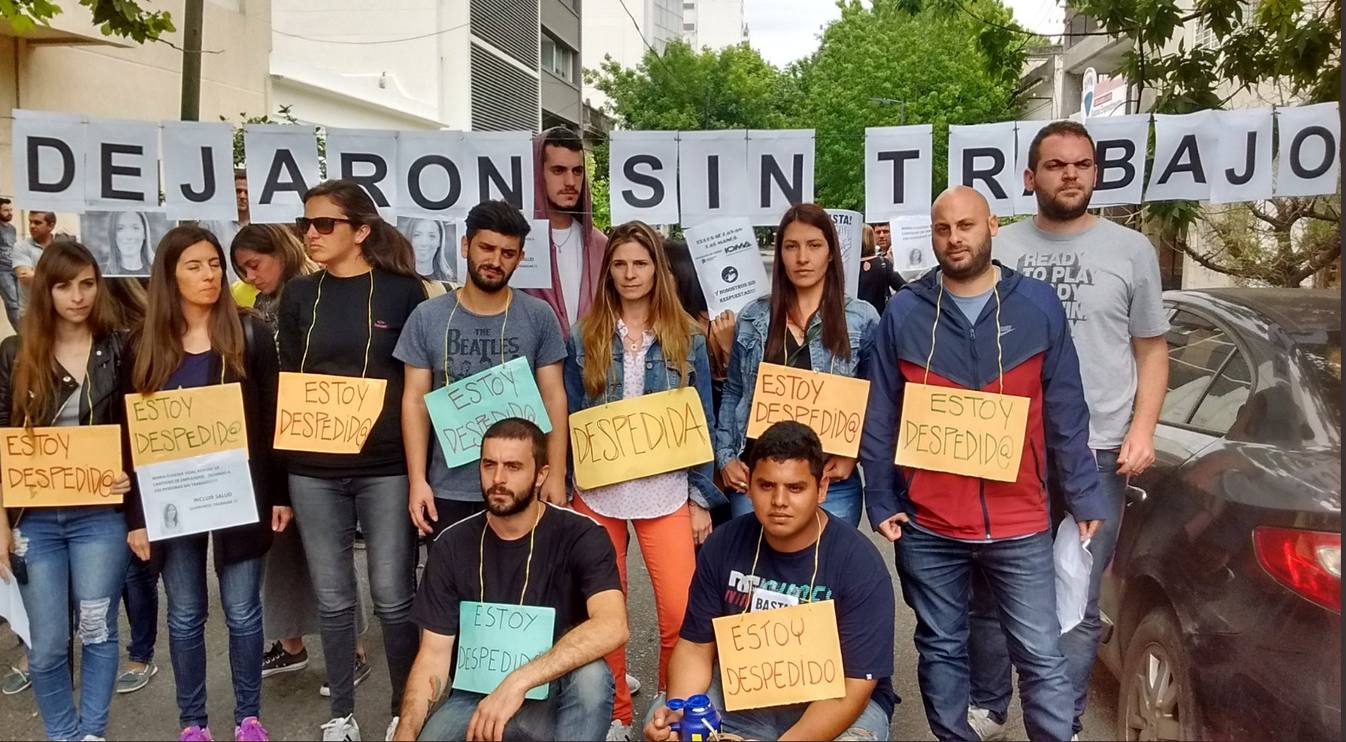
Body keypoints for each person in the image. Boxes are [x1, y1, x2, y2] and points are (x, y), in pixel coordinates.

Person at [859, 186, 1109, 742]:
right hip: (930, 523)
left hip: (1019, 520)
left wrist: (1085, 493)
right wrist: (881, 498)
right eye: (943, 229)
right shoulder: (904, 310)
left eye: (966, 225)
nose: (955, 238)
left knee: (1040, 654)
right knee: (941, 650)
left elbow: (1067, 408)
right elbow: (880, 414)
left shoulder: (1038, 304)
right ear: (933, 235)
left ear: (991, 226)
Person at [966, 120, 1170, 742]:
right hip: (1008, 449)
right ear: (1031, 178)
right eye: (1056, 165)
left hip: (1100, 450)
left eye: (1082, 164)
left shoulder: (1131, 251)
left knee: (1078, 600)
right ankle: (989, 706)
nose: (1071, 174)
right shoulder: (1003, 249)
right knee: (990, 590)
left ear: (1096, 173)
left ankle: (1063, 724)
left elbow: (1152, 350)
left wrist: (1143, 429)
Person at [122, 224, 290, 742]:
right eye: (194, 266)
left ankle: (248, 717)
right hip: (172, 504)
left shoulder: (250, 334)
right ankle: (192, 722)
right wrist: (136, 518)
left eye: (215, 264)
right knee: (187, 614)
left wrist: (279, 494)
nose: (210, 275)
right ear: (169, 277)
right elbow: (130, 438)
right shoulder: (142, 347)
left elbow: (272, 419)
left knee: (242, 611)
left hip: (238, 496)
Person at [277, 180, 427, 742]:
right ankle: (340, 712)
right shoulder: (296, 295)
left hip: (385, 465)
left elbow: (419, 380)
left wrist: (420, 473)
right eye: (305, 225)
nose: (310, 234)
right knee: (334, 597)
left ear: (361, 232)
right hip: (312, 467)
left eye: (324, 225)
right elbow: (286, 379)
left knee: (393, 594)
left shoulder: (402, 292)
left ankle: (402, 707)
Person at [562, 221, 724, 740]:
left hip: (666, 491)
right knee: (603, 613)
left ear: (658, 268)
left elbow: (704, 419)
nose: (630, 274)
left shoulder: (687, 337)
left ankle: (667, 712)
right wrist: (564, 483)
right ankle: (616, 715)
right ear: (608, 270)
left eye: (640, 263)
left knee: (680, 612)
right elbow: (567, 410)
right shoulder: (583, 334)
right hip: (598, 493)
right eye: (620, 264)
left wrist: (702, 496)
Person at [644, 421, 897, 742]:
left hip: (837, 701)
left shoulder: (860, 564)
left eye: (795, 488)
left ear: (821, 489)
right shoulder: (723, 544)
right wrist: (682, 714)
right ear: (748, 485)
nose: (779, 500)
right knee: (662, 720)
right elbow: (695, 646)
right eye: (766, 486)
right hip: (744, 686)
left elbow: (854, 685)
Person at [393, 418, 627, 741]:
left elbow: (613, 624)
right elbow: (433, 654)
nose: (498, 479)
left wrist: (518, 681)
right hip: (473, 697)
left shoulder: (581, 534)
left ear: (540, 475)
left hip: (553, 688)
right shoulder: (451, 545)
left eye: (513, 466)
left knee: (592, 677)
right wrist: (406, 730)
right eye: (489, 465)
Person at [0, 239, 133, 741]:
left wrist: (129, 475)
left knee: (98, 630)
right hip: (34, 520)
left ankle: (91, 732)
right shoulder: (15, 353)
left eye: (86, 284)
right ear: (44, 290)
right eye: (63, 285)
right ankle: (63, 734)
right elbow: (0, 441)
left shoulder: (119, 346)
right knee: (49, 642)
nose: (76, 296)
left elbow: (138, 427)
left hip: (100, 515)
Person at [396, 199, 570, 538]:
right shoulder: (427, 317)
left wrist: (556, 473)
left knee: (523, 588)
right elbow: (414, 402)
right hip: (449, 487)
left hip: (523, 488)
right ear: (465, 246)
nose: (494, 261)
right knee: (455, 586)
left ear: (520, 257)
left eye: (508, 253)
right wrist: (418, 480)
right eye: (486, 248)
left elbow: (553, 397)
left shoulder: (539, 316)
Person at [714, 203, 879, 528]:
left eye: (814, 245)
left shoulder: (861, 319)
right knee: (758, 576)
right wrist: (725, 457)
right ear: (780, 254)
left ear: (831, 252)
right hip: (757, 479)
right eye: (792, 246)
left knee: (827, 575)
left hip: (831, 482)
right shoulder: (753, 317)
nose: (802, 257)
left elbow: (879, 399)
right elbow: (734, 391)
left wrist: (854, 453)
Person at [524, 126, 607, 334]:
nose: (570, 182)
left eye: (577, 171)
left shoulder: (601, 246)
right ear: (537, 173)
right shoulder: (518, 243)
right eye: (558, 170)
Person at [230, 224, 317, 331]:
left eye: (254, 265)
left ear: (282, 254)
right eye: (243, 271)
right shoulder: (262, 302)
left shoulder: (314, 298)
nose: (249, 277)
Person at [13, 211, 57, 319]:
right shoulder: (21, 246)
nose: (32, 226)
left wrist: (36, 273)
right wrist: (56, 274)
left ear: (50, 226)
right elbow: (25, 279)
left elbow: (71, 275)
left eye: (37, 223)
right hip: (30, 312)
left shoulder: (60, 246)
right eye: (30, 222)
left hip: (57, 310)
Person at [399, 217, 454, 282]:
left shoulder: (449, 279)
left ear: (440, 241)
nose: (424, 243)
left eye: (431, 236)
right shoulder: (397, 276)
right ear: (409, 239)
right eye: (417, 235)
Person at [107, 211, 156, 276]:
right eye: (120, 228)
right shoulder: (100, 271)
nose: (129, 236)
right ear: (113, 234)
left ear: (144, 233)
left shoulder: (159, 271)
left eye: (135, 228)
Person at [0, 198, 19, 331]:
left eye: (10, 210)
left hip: (14, 267)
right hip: (2, 270)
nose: (9, 213)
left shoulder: (12, 229)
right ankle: (22, 333)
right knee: (12, 302)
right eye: (6, 210)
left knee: (22, 302)